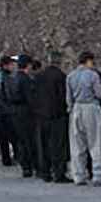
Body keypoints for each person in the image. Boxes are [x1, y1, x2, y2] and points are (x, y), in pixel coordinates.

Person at [66, 51, 101, 186]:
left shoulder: (71, 76)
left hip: (76, 109)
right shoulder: (93, 75)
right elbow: (98, 93)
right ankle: (98, 174)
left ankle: (78, 175)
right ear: (89, 61)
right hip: (91, 107)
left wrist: (71, 109)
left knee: (77, 144)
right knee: (96, 142)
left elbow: (68, 98)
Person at [32, 52, 69, 183]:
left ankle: (45, 172)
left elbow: (33, 96)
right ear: (60, 62)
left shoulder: (38, 76)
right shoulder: (61, 77)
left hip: (41, 116)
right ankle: (59, 173)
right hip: (57, 115)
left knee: (43, 144)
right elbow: (64, 97)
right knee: (58, 146)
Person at [7, 55, 37, 178]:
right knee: (29, 140)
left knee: (20, 140)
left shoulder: (11, 78)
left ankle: (24, 165)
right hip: (25, 112)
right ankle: (30, 166)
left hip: (14, 112)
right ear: (28, 65)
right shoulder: (26, 80)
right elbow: (30, 98)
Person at [0, 55, 17, 166]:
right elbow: (7, 94)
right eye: (12, 65)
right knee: (13, 136)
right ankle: (17, 156)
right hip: (6, 110)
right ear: (6, 65)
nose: (13, 67)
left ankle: (6, 158)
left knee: (2, 138)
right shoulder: (5, 77)